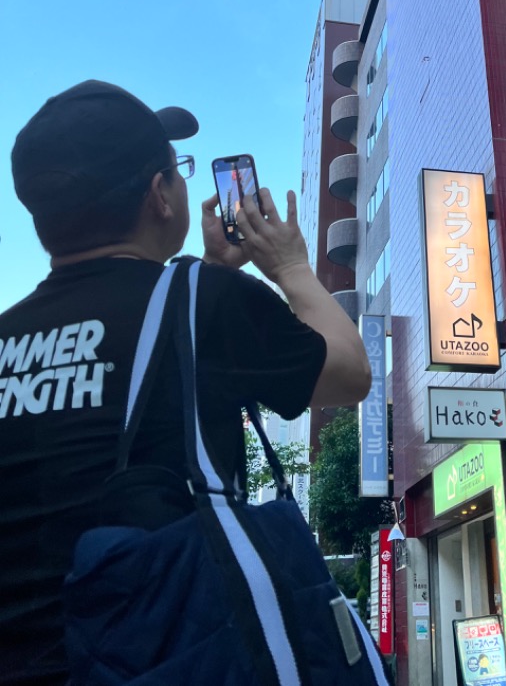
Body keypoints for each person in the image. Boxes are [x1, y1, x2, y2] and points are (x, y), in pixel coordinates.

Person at [0, 80, 371, 685]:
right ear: (160, 197)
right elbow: (349, 373)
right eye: (179, 170)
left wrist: (203, 288)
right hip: (168, 657)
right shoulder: (208, 304)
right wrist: (290, 267)